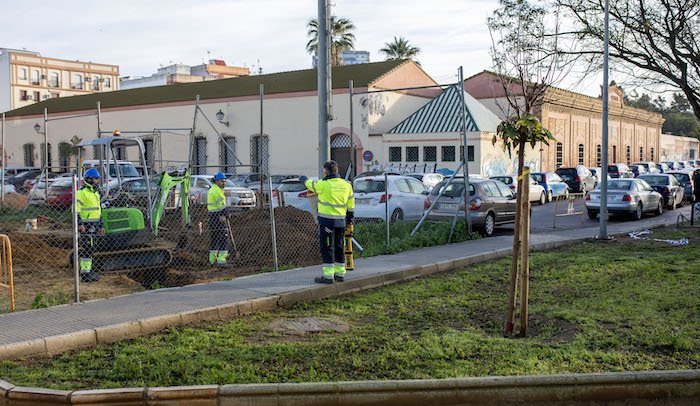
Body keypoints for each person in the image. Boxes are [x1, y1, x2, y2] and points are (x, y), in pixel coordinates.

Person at [300, 160, 355, 284]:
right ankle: (340, 274)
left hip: (327, 223)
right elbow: (351, 205)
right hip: (341, 222)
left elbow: (310, 184)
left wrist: (303, 178)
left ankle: (328, 276)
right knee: (340, 247)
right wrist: (349, 219)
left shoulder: (323, 185)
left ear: (326, 172)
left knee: (327, 247)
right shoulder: (347, 185)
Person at [76, 168, 104, 283]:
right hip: (86, 226)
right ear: (89, 179)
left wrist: (101, 226)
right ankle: (85, 274)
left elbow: (98, 211)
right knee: (87, 250)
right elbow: (76, 210)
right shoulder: (81, 193)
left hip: (95, 225)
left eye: (98, 179)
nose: (97, 181)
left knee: (91, 250)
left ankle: (88, 271)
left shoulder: (95, 194)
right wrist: (80, 224)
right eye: (96, 179)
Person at [207, 172, 230, 266]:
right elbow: (222, 206)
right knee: (223, 239)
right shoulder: (217, 191)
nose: (224, 183)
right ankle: (221, 261)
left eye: (225, 181)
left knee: (214, 239)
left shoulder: (214, 189)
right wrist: (226, 214)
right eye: (222, 181)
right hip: (218, 218)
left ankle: (212, 260)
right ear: (216, 181)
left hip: (213, 217)